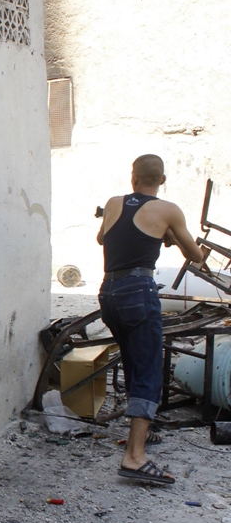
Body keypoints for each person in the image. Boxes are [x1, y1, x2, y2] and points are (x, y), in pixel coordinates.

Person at [96, 154, 203, 485]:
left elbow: (103, 238)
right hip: (138, 291)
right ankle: (135, 456)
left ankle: (141, 432)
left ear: (133, 178)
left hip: (109, 292)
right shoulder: (168, 209)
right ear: (163, 179)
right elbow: (196, 257)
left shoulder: (114, 202)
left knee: (132, 361)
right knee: (148, 370)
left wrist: (155, 234)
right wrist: (168, 234)